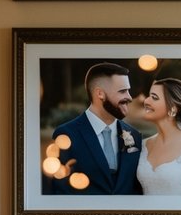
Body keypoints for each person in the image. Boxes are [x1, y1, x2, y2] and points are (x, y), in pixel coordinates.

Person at [50, 63, 143, 194]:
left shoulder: (134, 135)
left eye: (128, 90)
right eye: (122, 91)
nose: (129, 97)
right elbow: (60, 190)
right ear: (100, 94)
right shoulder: (66, 135)